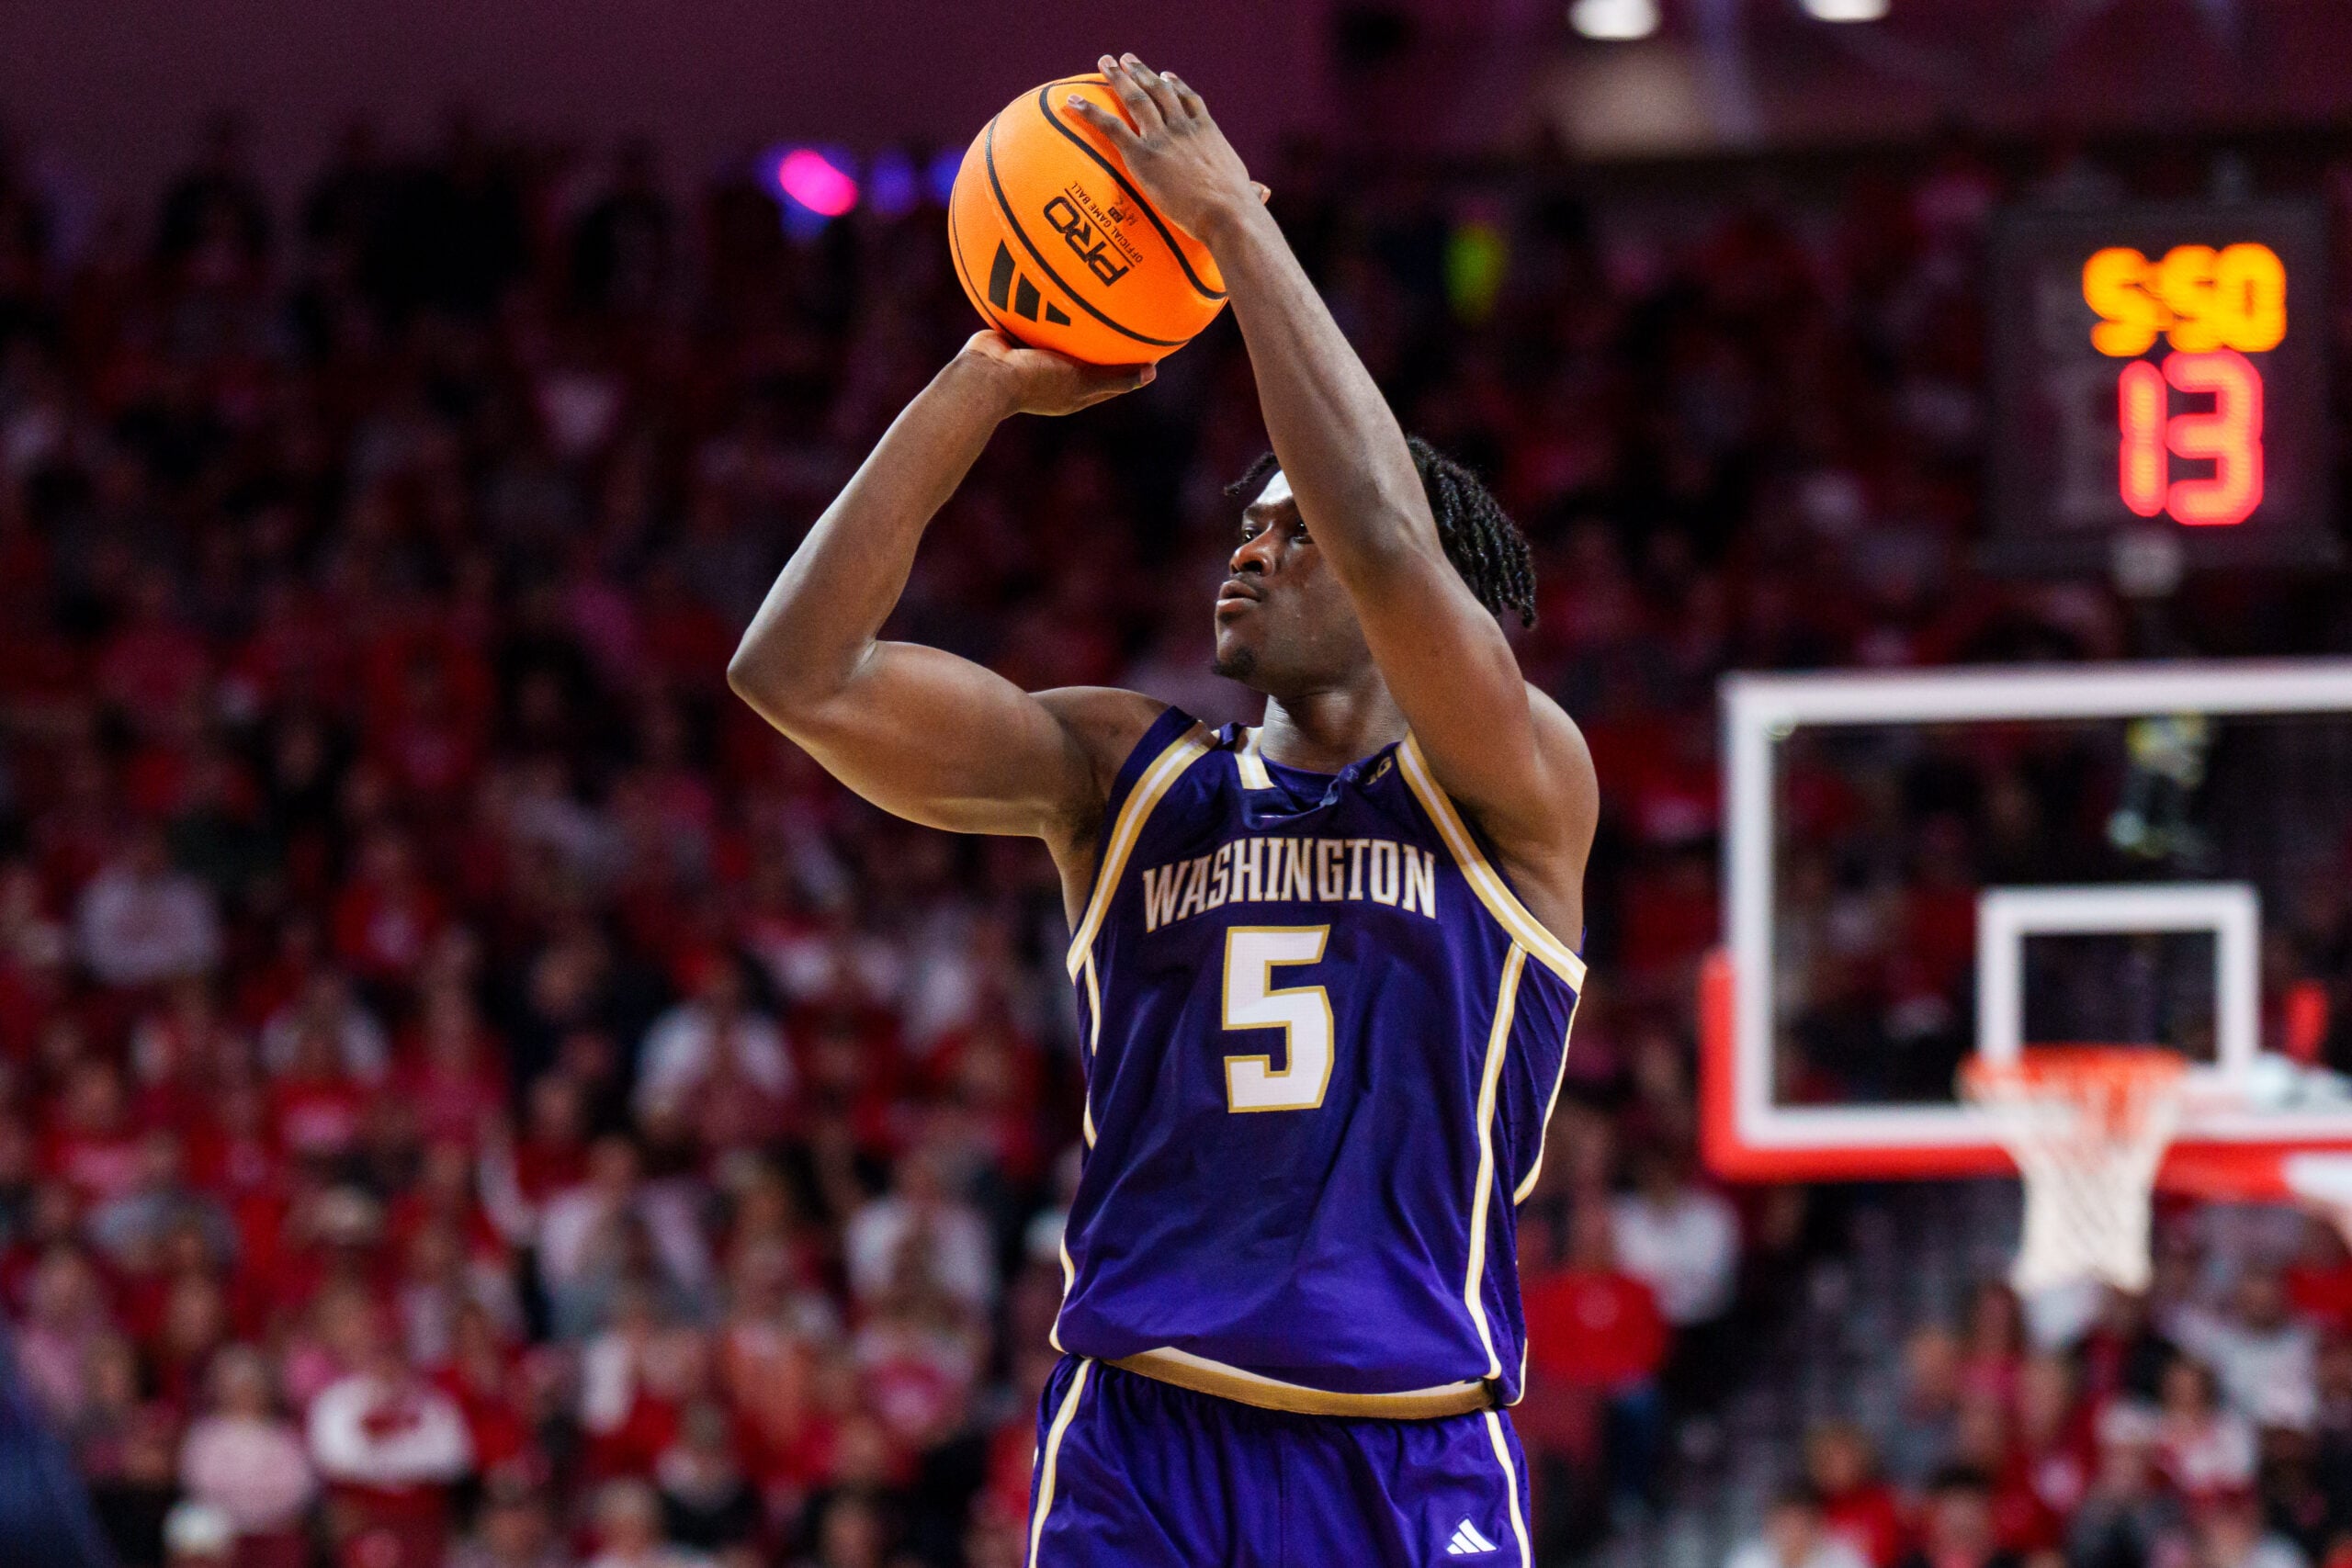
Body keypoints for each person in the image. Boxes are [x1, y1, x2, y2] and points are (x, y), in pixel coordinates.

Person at [728, 51, 1596, 1568]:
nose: (1249, 555)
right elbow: (795, 672)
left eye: (1290, 533)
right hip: (1143, 1437)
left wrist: (1232, 226)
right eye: (1243, 529)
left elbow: (1390, 539)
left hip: (1406, 1448)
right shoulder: (1125, 779)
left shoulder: (1507, 782)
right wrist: (984, 379)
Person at [1725, 1484, 1870, 1568]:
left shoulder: (1844, 1559)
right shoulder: (1749, 1560)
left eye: (1799, 1524)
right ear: (1769, 1526)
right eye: (1784, 1524)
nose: (1792, 1533)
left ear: (1816, 1525)